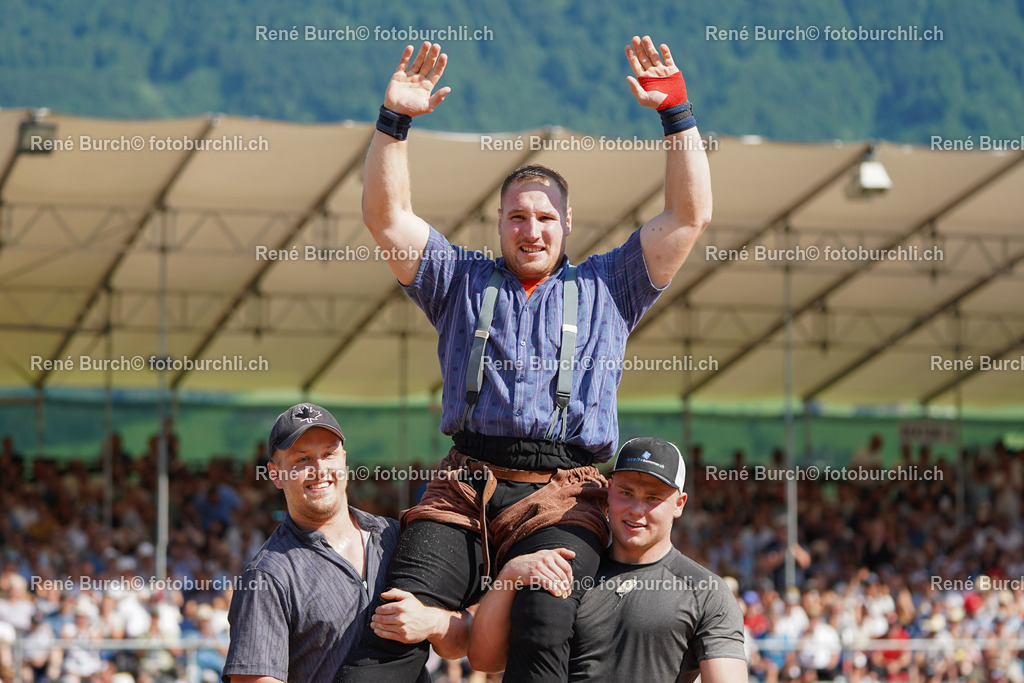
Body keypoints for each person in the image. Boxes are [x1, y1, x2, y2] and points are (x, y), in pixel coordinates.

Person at [338, 33, 711, 683]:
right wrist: (393, 123)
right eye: (516, 217)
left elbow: (689, 215)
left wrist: (675, 115)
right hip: (467, 479)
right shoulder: (459, 278)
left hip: (564, 492)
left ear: (567, 224)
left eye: (544, 217)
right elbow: (385, 216)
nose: (530, 229)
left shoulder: (609, 285)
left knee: (545, 609)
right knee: (394, 618)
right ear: (499, 223)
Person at [222, 403, 471, 683]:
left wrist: (431, 622)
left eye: (328, 454)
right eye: (301, 459)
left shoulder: (395, 536)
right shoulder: (267, 576)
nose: (319, 469)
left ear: (344, 460)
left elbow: (464, 642)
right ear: (275, 474)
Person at [467, 437, 747, 682]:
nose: (637, 510)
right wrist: (510, 574)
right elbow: (484, 660)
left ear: (679, 504)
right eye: (626, 493)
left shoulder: (706, 591)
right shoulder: (566, 566)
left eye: (653, 498)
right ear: (608, 491)